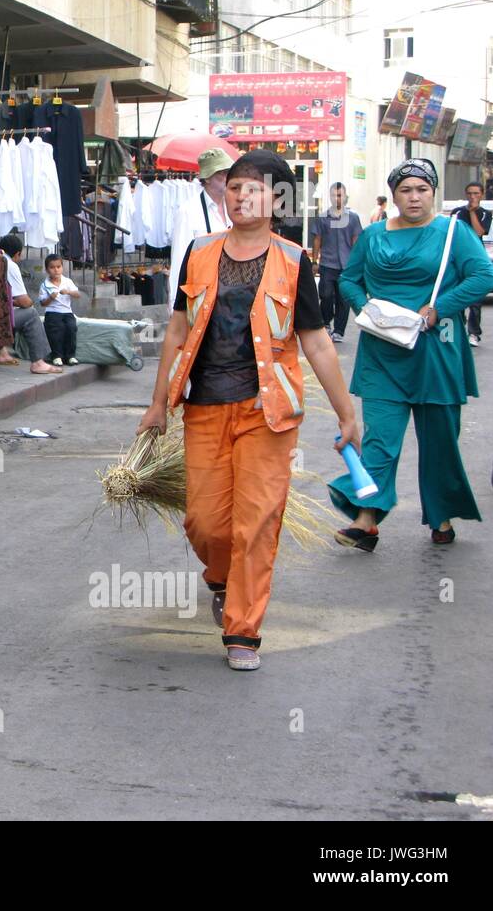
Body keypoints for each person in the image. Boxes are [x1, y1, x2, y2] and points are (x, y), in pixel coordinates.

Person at [139, 150, 358, 672]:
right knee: (207, 522)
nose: (240, 195)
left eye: (254, 188)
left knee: (256, 523)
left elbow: (317, 342)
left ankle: (243, 629)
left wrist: (347, 414)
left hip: (268, 412)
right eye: (234, 186)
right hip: (205, 407)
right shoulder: (198, 252)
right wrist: (157, 403)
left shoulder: (293, 260)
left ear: (278, 198)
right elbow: (176, 329)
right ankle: (221, 576)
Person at [330, 159, 493, 549]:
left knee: (439, 440)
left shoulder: (453, 232)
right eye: (406, 190)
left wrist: (441, 307)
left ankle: (440, 514)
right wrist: (365, 309)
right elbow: (350, 280)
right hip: (381, 352)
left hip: (436, 350)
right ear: (394, 195)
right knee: (379, 440)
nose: (415, 197)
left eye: (422, 189)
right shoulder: (371, 235)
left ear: (433, 192)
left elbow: (484, 277)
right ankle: (366, 518)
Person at [168, 148, 233, 315]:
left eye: (229, 172)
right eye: (221, 172)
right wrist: (176, 309)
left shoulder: (234, 208)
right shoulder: (189, 211)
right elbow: (179, 261)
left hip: (231, 295)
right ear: (208, 177)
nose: (227, 177)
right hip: (203, 298)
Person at [0, 234, 63, 375]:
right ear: (18, 254)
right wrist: (29, 302)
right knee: (30, 314)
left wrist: (11, 301)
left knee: (6, 307)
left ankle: (2, 352)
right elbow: (24, 302)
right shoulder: (10, 265)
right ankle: (38, 362)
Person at [313, 182, 362, 343]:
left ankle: (339, 331)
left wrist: (358, 265)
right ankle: (325, 322)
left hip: (347, 266)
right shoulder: (323, 218)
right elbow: (317, 239)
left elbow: (356, 241)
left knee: (343, 299)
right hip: (328, 263)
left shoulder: (353, 218)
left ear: (345, 196)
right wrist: (315, 261)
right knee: (325, 295)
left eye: (340, 195)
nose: (337, 198)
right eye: (334, 195)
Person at [453, 181, 492, 346]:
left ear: (481, 195)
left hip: (476, 260)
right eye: (469, 193)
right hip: (458, 259)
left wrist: (473, 212)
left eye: (476, 193)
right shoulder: (457, 212)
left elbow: (478, 232)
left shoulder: (485, 214)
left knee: (475, 300)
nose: (472, 196)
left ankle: (474, 333)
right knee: (457, 296)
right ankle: (459, 330)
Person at [38, 253, 81, 366]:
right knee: (56, 331)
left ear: (62, 267)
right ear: (47, 270)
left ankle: (70, 356)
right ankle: (57, 356)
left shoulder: (67, 281)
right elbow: (42, 303)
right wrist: (50, 297)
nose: (56, 270)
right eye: (52, 267)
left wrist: (68, 292)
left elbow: (77, 294)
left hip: (67, 312)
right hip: (52, 312)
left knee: (71, 328)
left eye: (58, 267)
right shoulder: (45, 285)